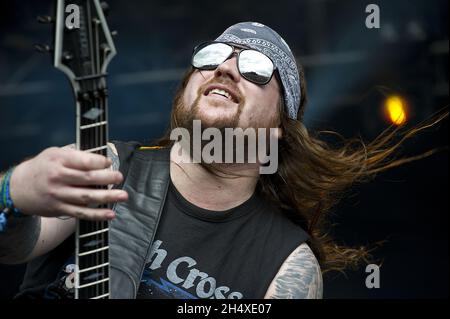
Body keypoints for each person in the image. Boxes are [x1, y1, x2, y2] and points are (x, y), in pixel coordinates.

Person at [0, 22, 446, 299]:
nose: (226, 68)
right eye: (211, 56)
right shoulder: (111, 166)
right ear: (183, 92)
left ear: (278, 127)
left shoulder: (287, 264)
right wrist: (15, 191)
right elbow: (13, 247)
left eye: (256, 68)